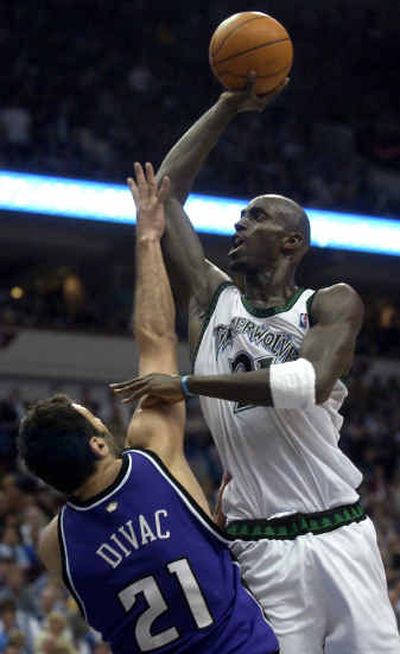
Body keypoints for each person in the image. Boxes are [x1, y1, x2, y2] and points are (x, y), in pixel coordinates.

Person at [111, 81, 400, 654]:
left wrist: (188, 383)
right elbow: (167, 197)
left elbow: (305, 384)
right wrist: (225, 107)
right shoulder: (209, 298)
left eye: (256, 218)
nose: (239, 225)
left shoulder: (329, 303)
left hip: (337, 530)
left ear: (292, 242)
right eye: (240, 216)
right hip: (259, 544)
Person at [17, 163, 279, 654]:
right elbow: (157, 339)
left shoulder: (56, 545)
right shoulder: (151, 460)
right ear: (98, 442)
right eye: (95, 417)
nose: (103, 419)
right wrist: (147, 237)